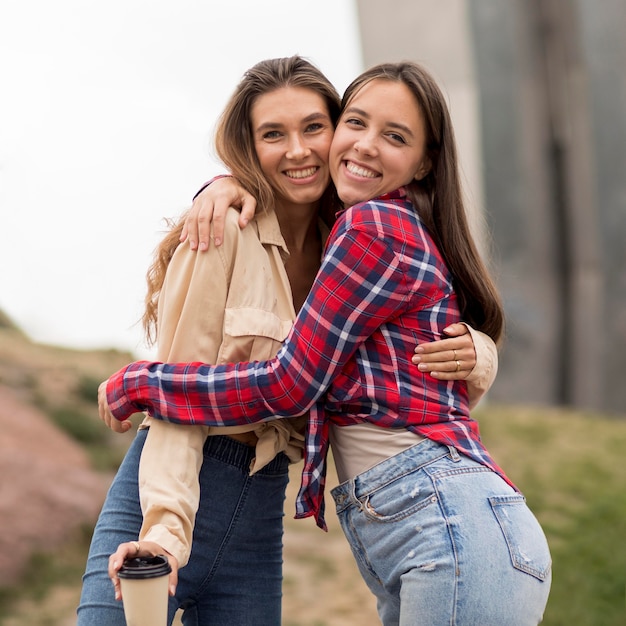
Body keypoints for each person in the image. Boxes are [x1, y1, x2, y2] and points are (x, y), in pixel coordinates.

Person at [100, 61, 551, 625]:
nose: (361, 145)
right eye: (356, 123)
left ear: (424, 160)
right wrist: (222, 182)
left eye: (394, 136)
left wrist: (142, 382)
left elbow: (291, 384)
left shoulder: (367, 229)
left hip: (442, 523)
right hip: (437, 526)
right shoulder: (296, 229)